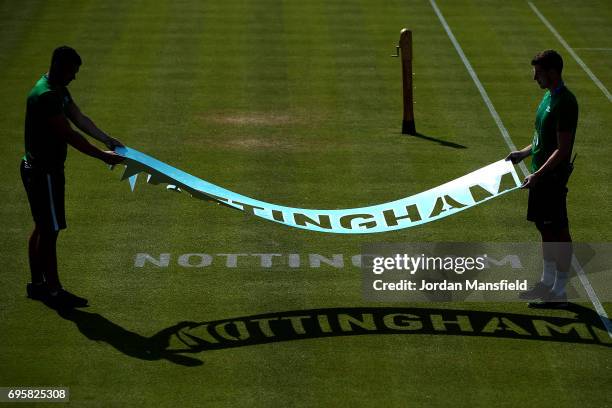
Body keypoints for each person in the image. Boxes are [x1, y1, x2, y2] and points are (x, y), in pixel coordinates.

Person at [21, 46, 125, 308]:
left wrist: (106, 139)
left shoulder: (55, 89)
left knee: (42, 226)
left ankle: (37, 285)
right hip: (44, 172)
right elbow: (68, 134)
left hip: (39, 168)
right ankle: (54, 291)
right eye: (72, 71)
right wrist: (103, 156)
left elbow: (79, 117)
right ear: (59, 66)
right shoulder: (46, 96)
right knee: (50, 230)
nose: (74, 77)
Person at [506, 50, 578, 308]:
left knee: (558, 231)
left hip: (551, 178)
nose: (534, 78)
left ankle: (559, 291)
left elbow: (562, 149)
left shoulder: (565, 103)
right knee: (545, 230)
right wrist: (523, 154)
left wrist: (538, 174)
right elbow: (541, 139)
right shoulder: (549, 97)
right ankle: (547, 284)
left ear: (552, 73)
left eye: (538, 73)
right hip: (540, 176)